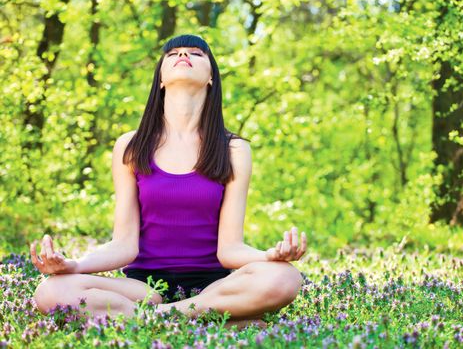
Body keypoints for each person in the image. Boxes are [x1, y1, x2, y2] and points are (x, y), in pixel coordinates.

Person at [30, 34, 307, 329]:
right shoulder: (131, 147)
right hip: (144, 289)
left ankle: (157, 321)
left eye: (196, 53)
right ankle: (207, 322)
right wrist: (74, 266)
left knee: (286, 277)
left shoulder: (234, 150)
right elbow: (124, 244)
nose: (183, 55)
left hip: (213, 287)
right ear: (160, 78)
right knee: (50, 291)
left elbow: (229, 250)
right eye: (173, 53)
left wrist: (270, 256)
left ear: (211, 77)